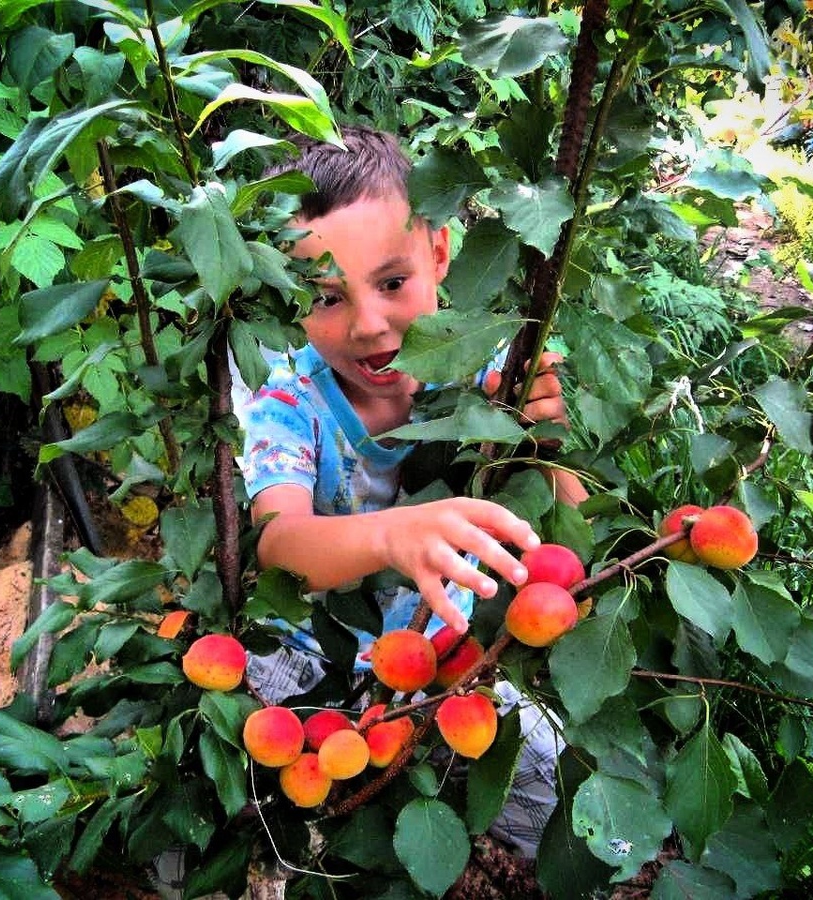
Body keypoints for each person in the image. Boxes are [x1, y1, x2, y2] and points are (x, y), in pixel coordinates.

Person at [236, 125, 587, 857]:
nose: (368, 325)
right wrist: (392, 533)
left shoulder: (486, 366)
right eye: (325, 298)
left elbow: (573, 526)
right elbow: (278, 542)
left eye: (393, 283)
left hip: (446, 660)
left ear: (439, 255)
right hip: (310, 660)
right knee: (275, 820)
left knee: (559, 804)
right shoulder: (288, 406)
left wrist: (550, 440)